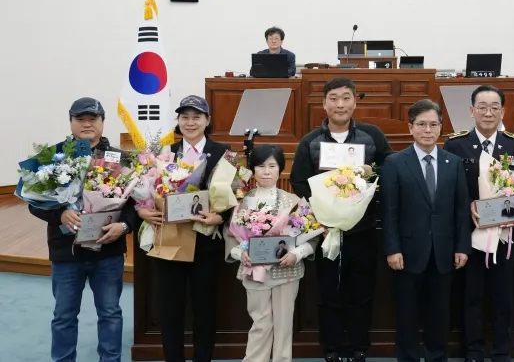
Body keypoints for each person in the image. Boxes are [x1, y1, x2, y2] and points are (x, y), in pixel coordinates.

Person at [290, 77, 393, 362]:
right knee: (329, 292)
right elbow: (298, 182)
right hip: (327, 233)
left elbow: (390, 167)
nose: (340, 104)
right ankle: (332, 348)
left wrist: (371, 170)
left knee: (362, 291)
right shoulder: (310, 141)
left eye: (346, 98)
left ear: (355, 102)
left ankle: (359, 346)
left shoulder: (372, 135)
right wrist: (321, 214)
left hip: (363, 229)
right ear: (324, 104)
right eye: (333, 98)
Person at [28, 97, 134, 362]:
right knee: (64, 315)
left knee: (110, 313)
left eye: (93, 119)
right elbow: (33, 202)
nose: (87, 124)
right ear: (71, 122)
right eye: (80, 119)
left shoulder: (121, 159)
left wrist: (123, 226)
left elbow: (136, 205)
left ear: (102, 122)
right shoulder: (54, 158)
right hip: (66, 252)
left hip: (108, 250)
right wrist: (60, 213)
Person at [136, 95, 231, 362]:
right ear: (178, 121)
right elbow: (146, 191)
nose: (190, 122)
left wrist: (220, 217)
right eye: (185, 117)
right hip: (170, 241)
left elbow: (236, 193)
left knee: (205, 310)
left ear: (207, 120)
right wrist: (142, 210)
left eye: (196, 117)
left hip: (205, 243)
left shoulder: (224, 153)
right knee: (170, 310)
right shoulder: (163, 154)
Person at [442, 84, 514, 362]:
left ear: (503, 111)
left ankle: (502, 351)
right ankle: (474, 350)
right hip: (471, 233)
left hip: (505, 235)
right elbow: (449, 188)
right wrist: (469, 205)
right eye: (482, 107)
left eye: (494, 108)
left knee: (503, 296)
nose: (488, 113)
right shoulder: (455, 144)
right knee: (471, 295)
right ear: (471, 110)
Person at [381, 99, 470, 362]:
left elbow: (461, 210)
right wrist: (392, 249)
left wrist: (462, 247)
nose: (427, 130)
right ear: (411, 128)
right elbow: (389, 211)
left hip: (444, 252)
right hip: (407, 253)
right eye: (421, 124)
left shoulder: (453, 162)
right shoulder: (395, 162)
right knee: (407, 315)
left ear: (441, 127)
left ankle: (437, 357)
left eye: (433, 124)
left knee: (440, 315)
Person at [224, 144, 321, 362]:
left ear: (280, 169)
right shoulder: (242, 202)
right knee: (260, 322)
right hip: (254, 269)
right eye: (260, 166)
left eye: (272, 166)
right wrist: (242, 254)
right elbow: (231, 236)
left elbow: (312, 236)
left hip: (286, 270)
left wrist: (297, 254)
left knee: (284, 324)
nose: (266, 171)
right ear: (253, 169)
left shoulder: (293, 201)